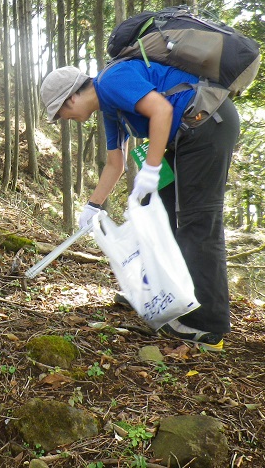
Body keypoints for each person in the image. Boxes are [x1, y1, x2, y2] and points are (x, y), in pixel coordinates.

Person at [40, 63, 240, 351]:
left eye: (61, 113)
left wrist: (151, 168)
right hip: (183, 138)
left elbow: (162, 111)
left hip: (208, 124)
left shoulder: (112, 80)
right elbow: (115, 163)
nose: (65, 119)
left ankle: (209, 327)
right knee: (161, 216)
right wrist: (93, 206)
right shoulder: (109, 108)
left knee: (198, 223)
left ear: (71, 98)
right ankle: (161, 294)